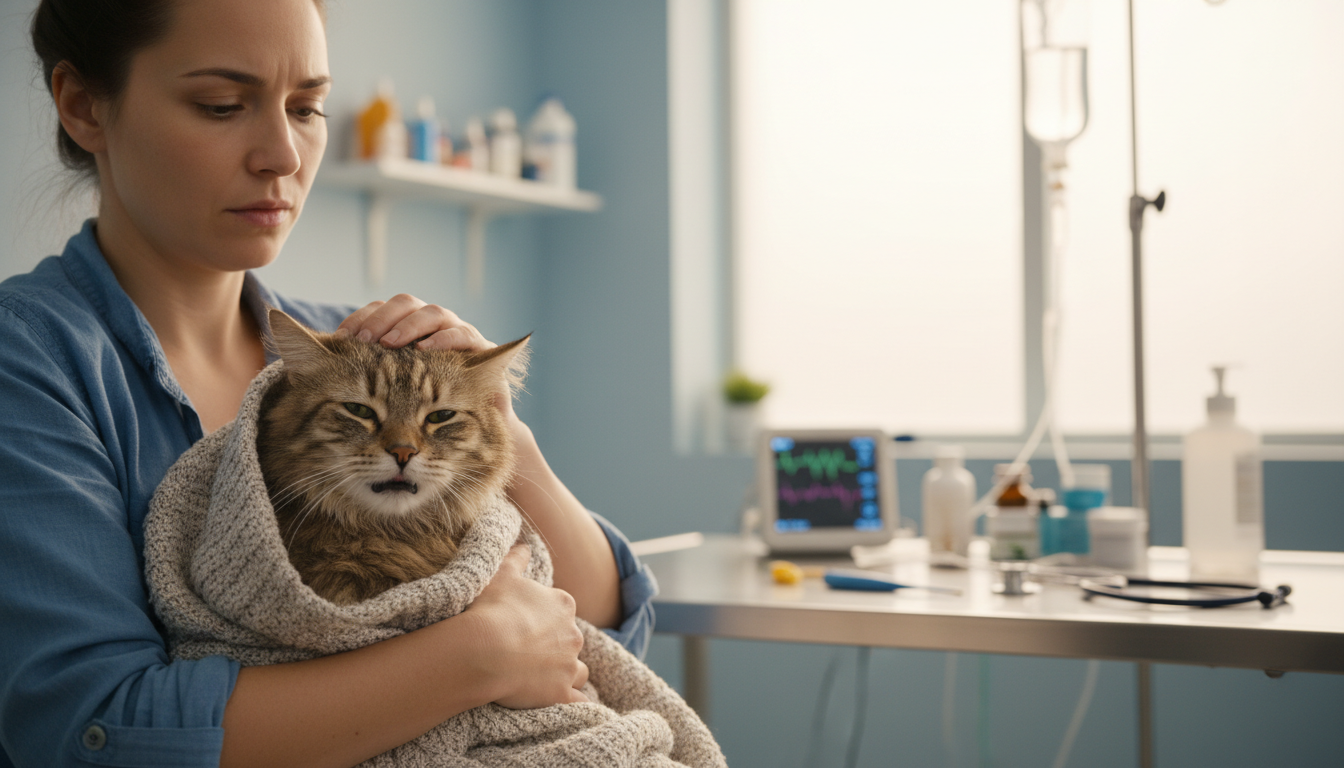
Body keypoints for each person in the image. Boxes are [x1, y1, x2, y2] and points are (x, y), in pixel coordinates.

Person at [0, 0, 657, 766]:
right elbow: (92, 730)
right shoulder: (33, 360)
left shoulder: (355, 346)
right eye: (222, 105)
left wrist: (503, 431)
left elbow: (605, 623)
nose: (283, 153)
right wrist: (479, 656)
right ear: (83, 106)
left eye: (307, 107)